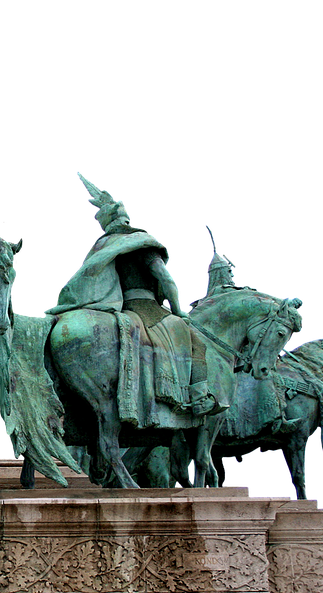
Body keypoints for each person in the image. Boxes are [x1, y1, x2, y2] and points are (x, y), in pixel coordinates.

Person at [47, 171, 222, 417]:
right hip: (147, 308)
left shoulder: (102, 246)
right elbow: (166, 279)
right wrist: (178, 309)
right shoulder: (140, 241)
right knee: (195, 342)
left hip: (119, 306)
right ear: (124, 217)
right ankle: (199, 399)